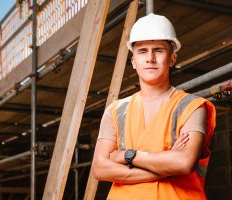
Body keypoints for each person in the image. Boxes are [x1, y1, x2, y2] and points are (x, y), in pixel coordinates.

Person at [92, 13, 216, 200]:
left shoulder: (191, 106)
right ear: (133, 61)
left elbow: (183, 163)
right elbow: (100, 169)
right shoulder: (116, 111)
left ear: (172, 59)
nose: (150, 58)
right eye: (142, 51)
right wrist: (165, 165)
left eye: (158, 50)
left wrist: (127, 155)